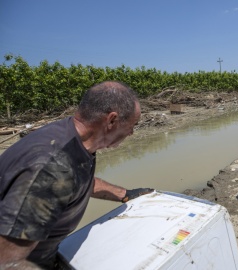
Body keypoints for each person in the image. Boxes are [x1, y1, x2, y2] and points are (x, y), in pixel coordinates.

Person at [0, 81, 154, 269]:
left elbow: (73, 181)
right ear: (112, 120)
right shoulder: (51, 166)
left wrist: (124, 194)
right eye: (132, 125)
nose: (131, 133)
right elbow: (7, 262)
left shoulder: (70, 138)